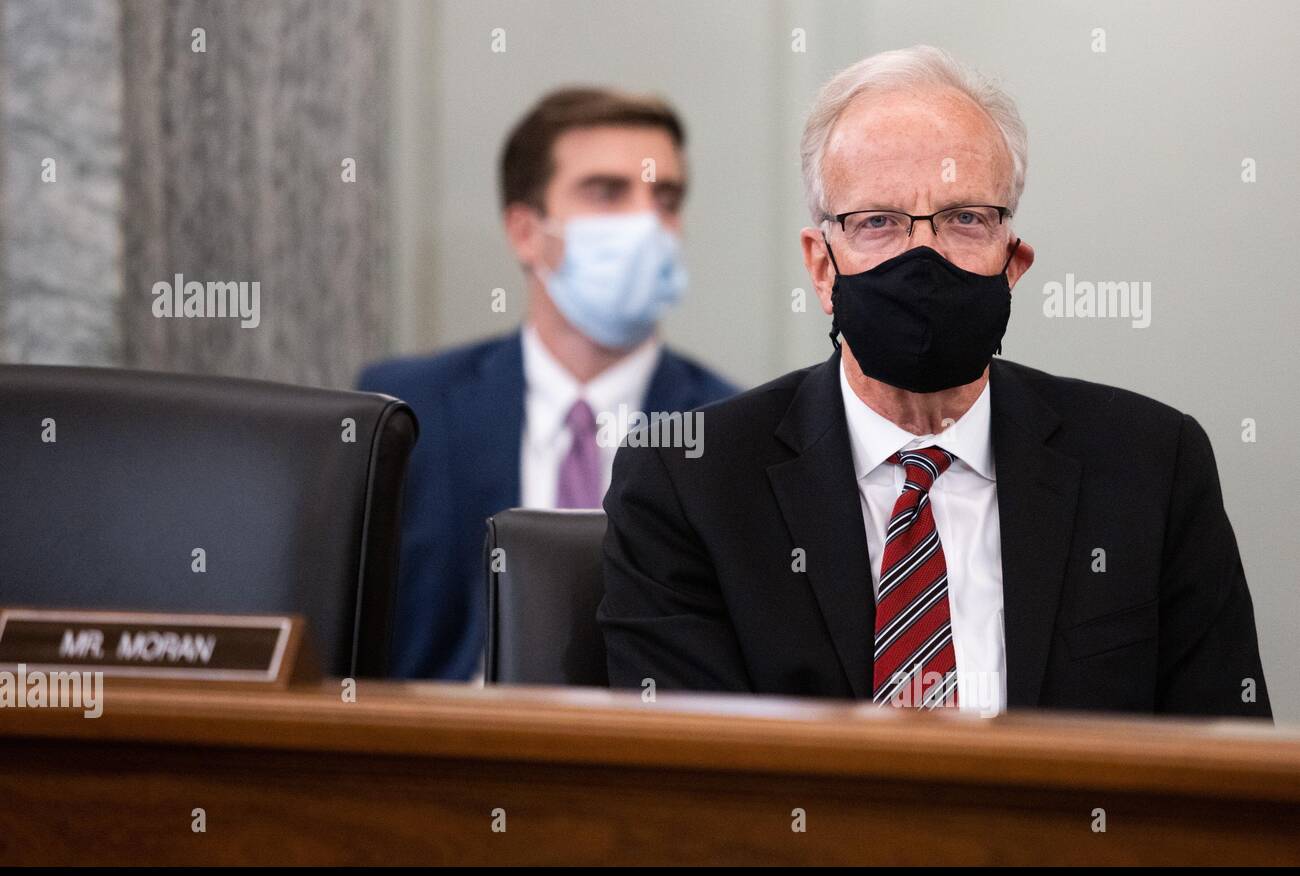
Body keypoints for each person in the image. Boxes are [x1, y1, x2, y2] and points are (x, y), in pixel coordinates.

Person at [598, 46, 1271, 719]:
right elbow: (695, 789)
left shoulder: (1150, 467)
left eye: (965, 219)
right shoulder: (689, 481)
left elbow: (1222, 778)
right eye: (877, 223)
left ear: (1014, 261)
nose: (923, 257)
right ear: (822, 266)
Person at [360, 88, 736, 680]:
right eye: (607, 193)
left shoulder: (733, 429)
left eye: (664, 198)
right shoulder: (408, 412)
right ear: (525, 231)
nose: (646, 223)